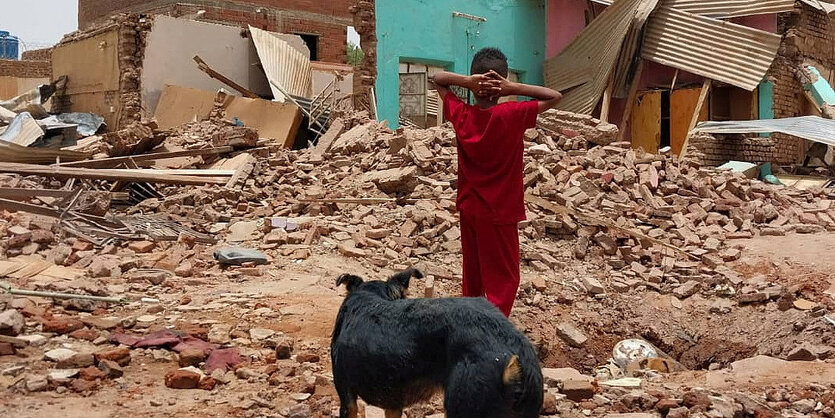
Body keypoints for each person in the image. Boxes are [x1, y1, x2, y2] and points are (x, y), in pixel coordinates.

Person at [430, 47, 562, 317]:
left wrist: (467, 82)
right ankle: (494, 329)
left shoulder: (462, 115)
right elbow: (554, 96)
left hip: (470, 209)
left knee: (474, 274)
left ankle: (472, 323)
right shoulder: (512, 114)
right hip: (500, 212)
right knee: (504, 279)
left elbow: (437, 79)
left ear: (474, 83)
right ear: (502, 83)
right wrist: (512, 87)